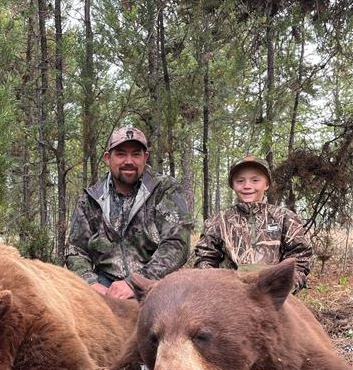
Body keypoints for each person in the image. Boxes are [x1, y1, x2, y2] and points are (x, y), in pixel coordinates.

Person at [66, 125, 192, 299]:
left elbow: (177, 244)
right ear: (108, 158)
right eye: (121, 154)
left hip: (157, 284)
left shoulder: (165, 189)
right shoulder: (91, 199)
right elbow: (76, 251)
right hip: (105, 287)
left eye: (136, 154)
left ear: (145, 157)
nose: (129, 161)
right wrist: (90, 283)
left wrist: (135, 282)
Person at [194, 154, 313, 292]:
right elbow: (205, 259)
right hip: (230, 295)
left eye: (255, 180)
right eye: (240, 181)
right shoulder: (218, 221)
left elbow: (300, 256)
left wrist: (285, 286)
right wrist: (218, 287)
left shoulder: (285, 218)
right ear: (233, 185)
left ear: (266, 184)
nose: (247, 186)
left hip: (274, 294)